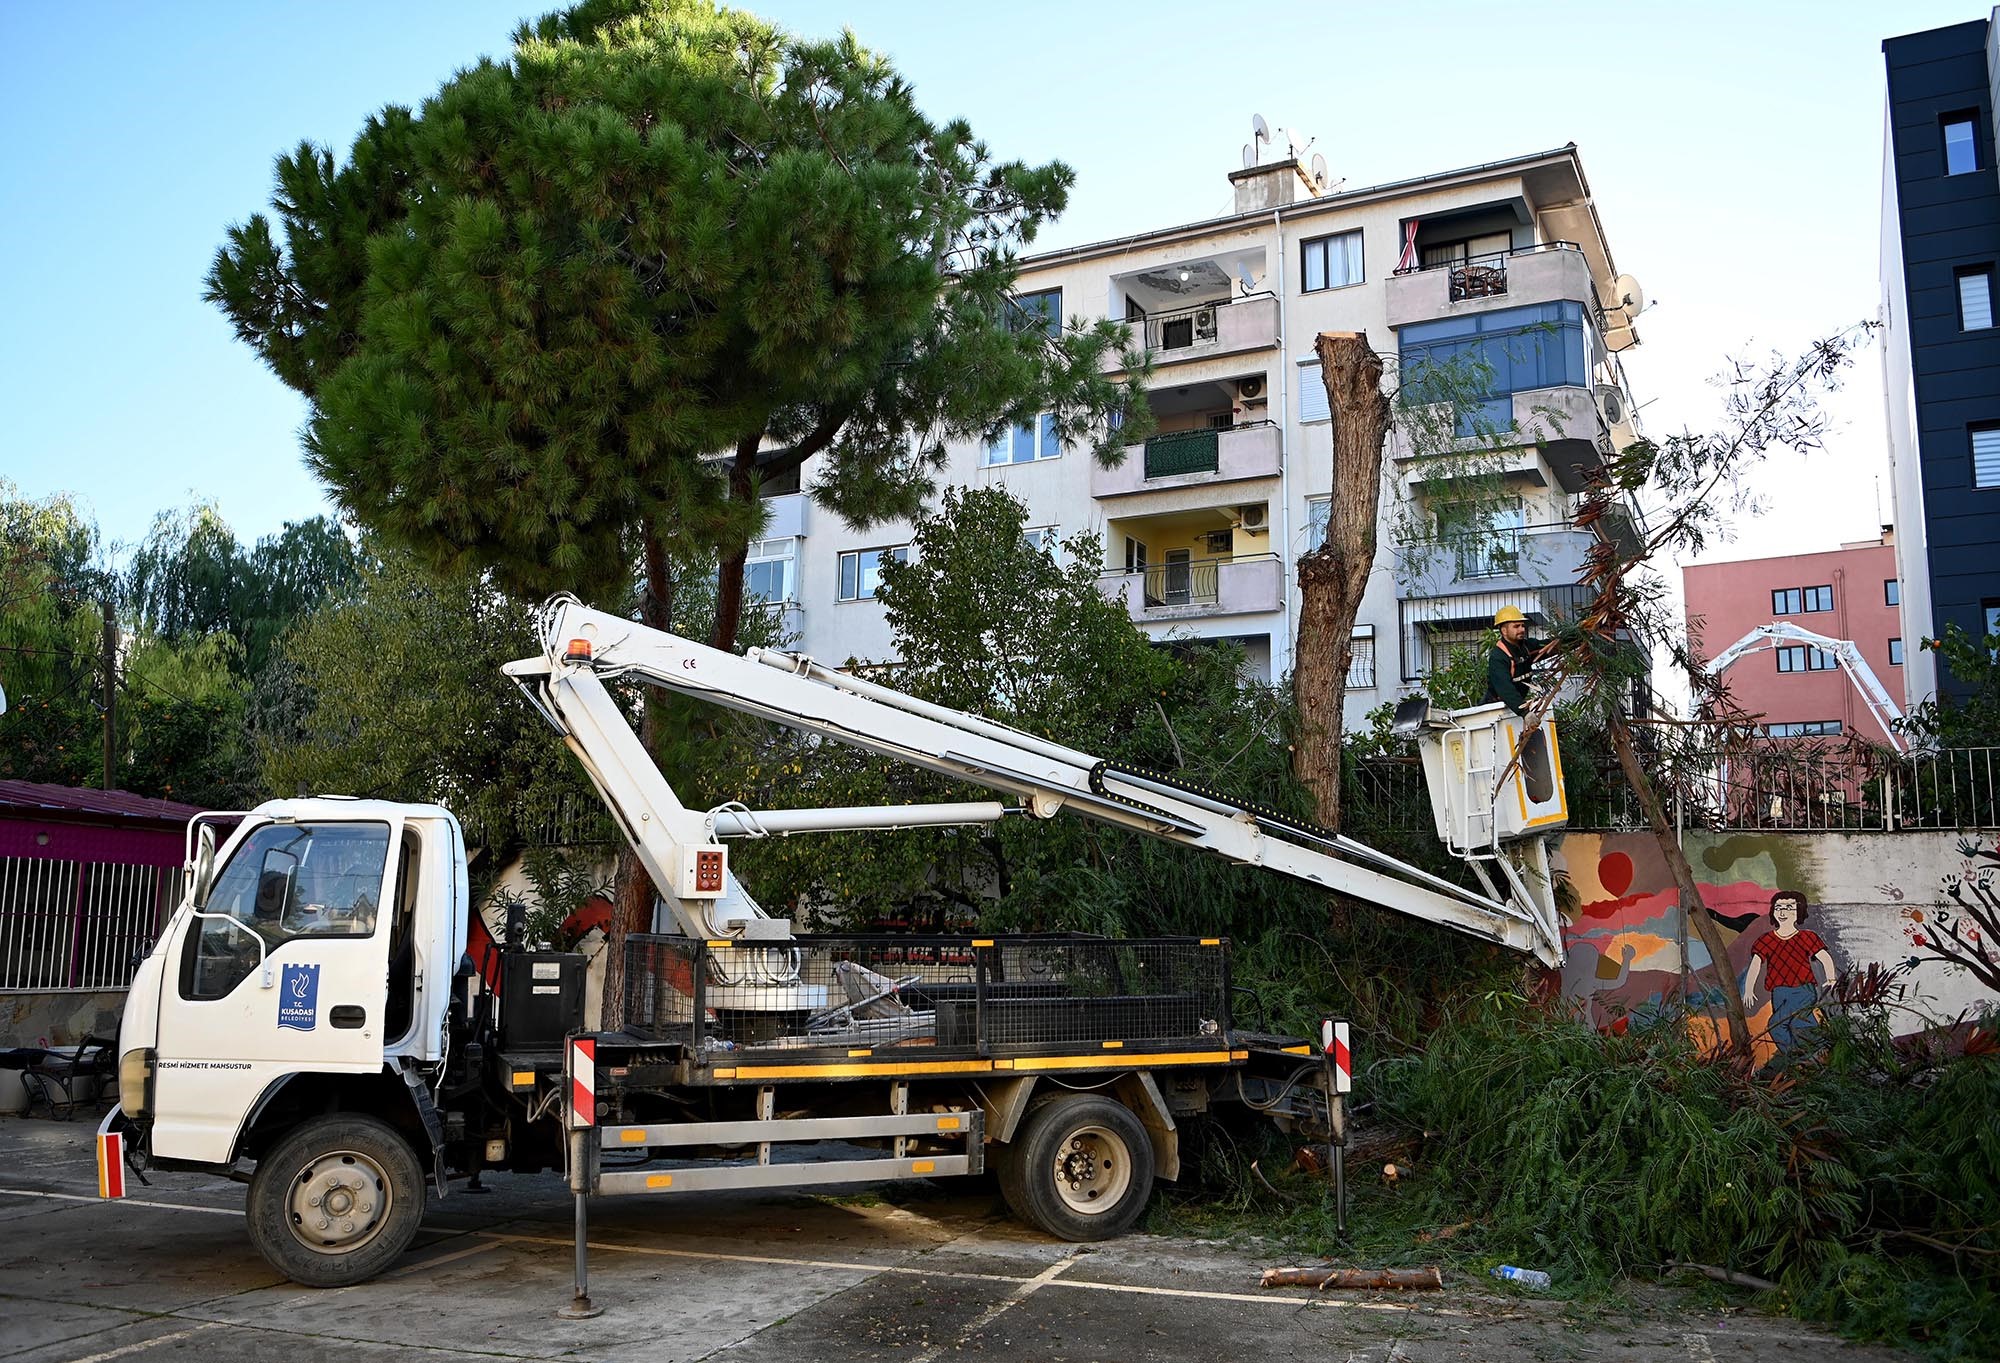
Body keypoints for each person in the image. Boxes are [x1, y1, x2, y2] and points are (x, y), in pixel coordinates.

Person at [1742, 889, 1836, 1055]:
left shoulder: (1806, 937)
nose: (1783, 912)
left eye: (1789, 907)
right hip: (1778, 992)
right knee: (1803, 1023)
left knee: (1776, 1025)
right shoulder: (1767, 939)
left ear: (1798, 912)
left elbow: (1825, 957)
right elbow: (1755, 964)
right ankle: (1823, 1050)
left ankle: (1796, 1057)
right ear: (1773, 911)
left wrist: (1831, 978)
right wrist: (1748, 989)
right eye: (1779, 908)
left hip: (1802, 990)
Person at [1484, 605, 1549, 715]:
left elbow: (1550, 647)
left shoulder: (1526, 647)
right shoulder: (1498, 657)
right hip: (1494, 711)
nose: (1522, 629)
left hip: (1513, 708)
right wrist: (1524, 713)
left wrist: (1576, 637)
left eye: (1522, 626)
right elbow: (1506, 689)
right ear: (1504, 630)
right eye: (1516, 626)